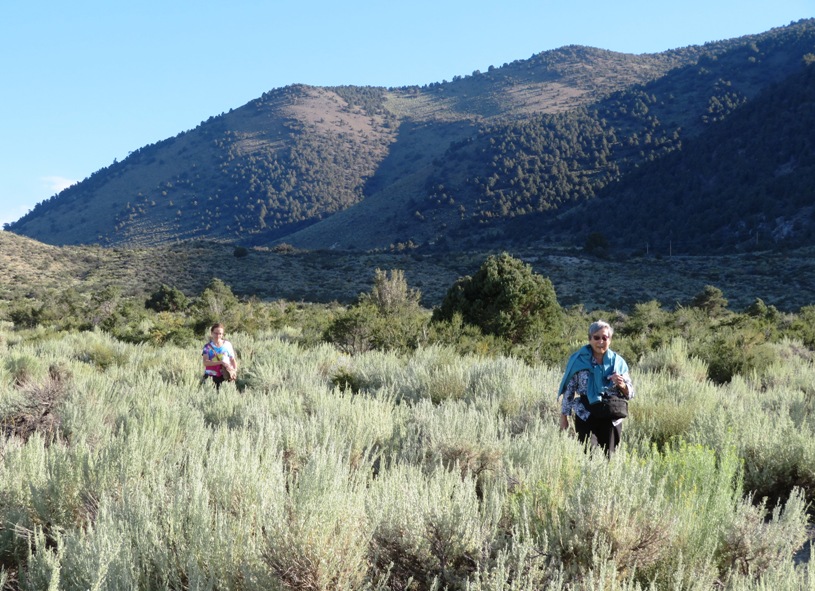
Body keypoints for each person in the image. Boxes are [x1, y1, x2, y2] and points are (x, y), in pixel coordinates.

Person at [557, 320, 634, 456]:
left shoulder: (618, 362)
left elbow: (630, 393)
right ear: (590, 339)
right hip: (585, 412)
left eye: (605, 338)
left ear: (610, 340)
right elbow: (570, 391)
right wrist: (564, 417)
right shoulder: (578, 360)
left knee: (609, 457)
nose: (600, 342)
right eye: (596, 337)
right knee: (588, 454)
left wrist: (621, 384)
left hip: (611, 414)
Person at [202, 323, 237, 389]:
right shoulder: (207, 347)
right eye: (216, 333)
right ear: (212, 333)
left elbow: (232, 360)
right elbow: (205, 362)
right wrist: (221, 362)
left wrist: (234, 371)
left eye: (220, 333)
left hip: (225, 376)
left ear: (222, 334)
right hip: (210, 377)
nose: (218, 335)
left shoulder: (227, 345)